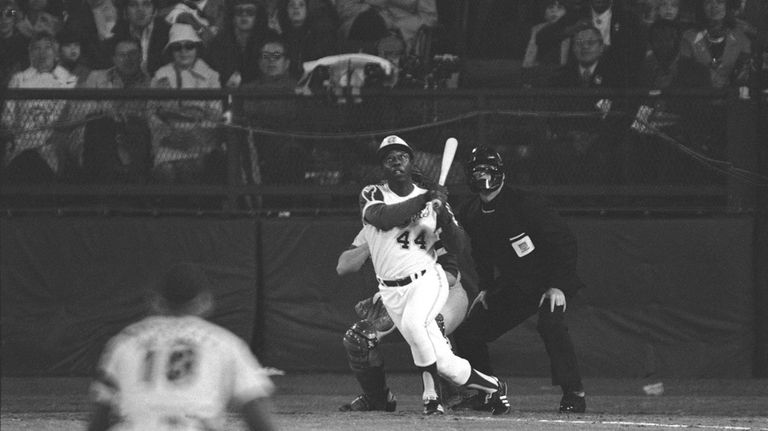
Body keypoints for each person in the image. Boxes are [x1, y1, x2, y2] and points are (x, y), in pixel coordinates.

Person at [353, 134, 511, 415]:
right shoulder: (373, 193)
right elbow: (383, 218)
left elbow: (460, 245)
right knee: (445, 364)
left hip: (428, 280)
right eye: (389, 156)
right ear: (382, 166)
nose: (396, 159)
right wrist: (426, 199)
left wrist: (444, 215)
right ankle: (493, 386)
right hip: (392, 290)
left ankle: (430, 398)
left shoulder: (432, 201)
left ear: (412, 161)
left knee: (416, 325)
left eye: (402, 155)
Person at [452, 146, 586, 414]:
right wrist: (487, 288)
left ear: (501, 173)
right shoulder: (470, 210)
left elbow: (564, 243)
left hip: (548, 278)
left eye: (488, 170)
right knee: (468, 332)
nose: (482, 176)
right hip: (516, 283)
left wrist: (557, 285)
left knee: (551, 325)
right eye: (477, 171)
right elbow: (480, 252)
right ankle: (485, 392)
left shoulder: (527, 203)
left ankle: (575, 393)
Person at [337, 167, 473, 415]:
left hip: (445, 294)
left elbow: (451, 275)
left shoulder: (430, 223)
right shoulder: (378, 222)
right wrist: (374, 240)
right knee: (358, 338)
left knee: (429, 328)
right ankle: (377, 398)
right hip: (397, 299)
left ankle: (457, 392)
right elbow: (344, 267)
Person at [86, 262, 277, 431]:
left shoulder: (125, 340)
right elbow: (255, 406)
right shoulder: (224, 342)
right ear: (205, 302)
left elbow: (100, 415)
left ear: (156, 301)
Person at [149, 23, 223, 184]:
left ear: (197, 48)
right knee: (166, 171)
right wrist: (168, 134)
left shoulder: (211, 76)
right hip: (168, 141)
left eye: (189, 46)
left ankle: (195, 208)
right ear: (171, 51)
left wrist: (196, 135)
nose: (184, 51)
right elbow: (151, 111)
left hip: (201, 142)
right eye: (177, 47)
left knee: (189, 169)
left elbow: (216, 113)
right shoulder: (160, 76)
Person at [2, 32, 77, 183]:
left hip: (52, 147)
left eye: (47, 48)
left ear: (56, 53)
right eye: (36, 48)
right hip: (20, 144)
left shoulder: (69, 80)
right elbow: (7, 117)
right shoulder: (19, 79)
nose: (42, 53)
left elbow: (70, 116)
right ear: (30, 54)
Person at [78, 36, 152, 183]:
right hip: (100, 139)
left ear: (141, 57)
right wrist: (105, 110)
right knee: (101, 126)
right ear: (113, 58)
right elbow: (80, 108)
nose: (127, 59)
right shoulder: (96, 77)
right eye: (122, 55)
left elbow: (150, 116)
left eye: (133, 54)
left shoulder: (150, 83)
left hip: (132, 139)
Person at [207, 0, 268, 88]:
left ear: (258, 15)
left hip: (260, 93)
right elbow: (213, 71)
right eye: (239, 12)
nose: (244, 15)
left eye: (250, 11)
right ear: (232, 15)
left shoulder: (269, 39)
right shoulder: (219, 42)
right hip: (226, 92)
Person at [107, 0, 171, 76]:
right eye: (133, 5)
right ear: (125, 12)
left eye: (146, 4)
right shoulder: (116, 35)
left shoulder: (168, 33)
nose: (140, 10)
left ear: (155, 11)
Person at [1, 0, 30, 88]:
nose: (4, 19)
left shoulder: (25, 43)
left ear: (15, 18)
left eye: (9, 14)